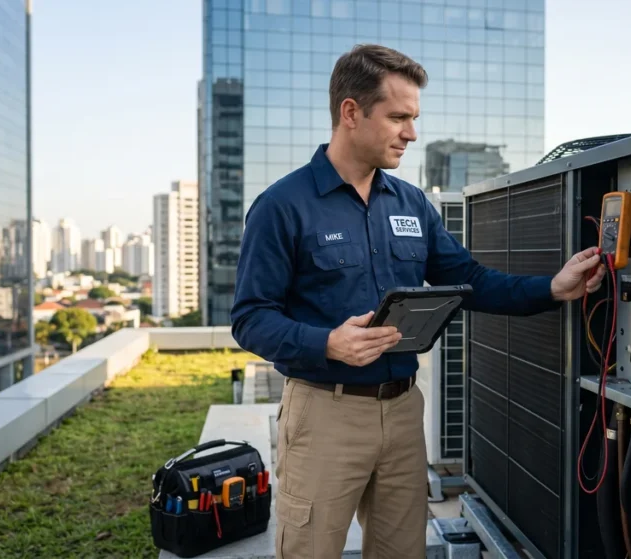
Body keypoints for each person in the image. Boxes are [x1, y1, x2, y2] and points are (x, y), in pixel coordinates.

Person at [231, 44, 606, 559]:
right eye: (398, 117)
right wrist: (329, 343)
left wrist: (553, 287)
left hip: (404, 411)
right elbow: (250, 318)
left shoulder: (411, 203)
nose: (411, 133)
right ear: (351, 112)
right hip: (324, 415)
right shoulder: (282, 206)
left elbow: (470, 280)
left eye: (414, 119)